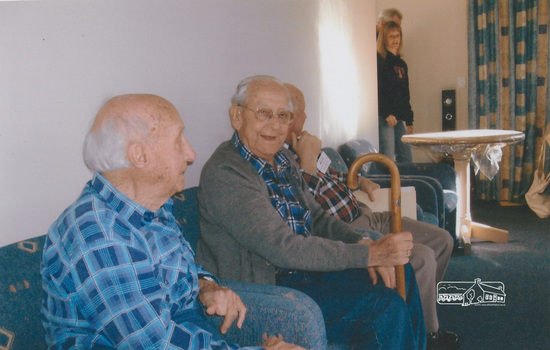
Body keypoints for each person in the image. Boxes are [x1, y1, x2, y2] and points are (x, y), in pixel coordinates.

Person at [40, 94, 304, 350]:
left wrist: (207, 286)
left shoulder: (153, 204)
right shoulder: (99, 236)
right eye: (179, 141)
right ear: (140, 156)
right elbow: (157, 345)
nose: (191, 154)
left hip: (186, 328)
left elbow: (180, 269)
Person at [197, 75, 427, 349]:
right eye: (263, 113)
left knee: (402, 269)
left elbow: (316, 219)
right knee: (383, 306)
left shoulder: (282, 160)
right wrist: (369, 254)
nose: (275, 124)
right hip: (271, 289)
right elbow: (282, 248)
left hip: (308, 272)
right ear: (237, 116)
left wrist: (362, 242)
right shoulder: (226, 173)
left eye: (283, 115)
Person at [284, 83, 460, 350]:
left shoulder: (309, 145)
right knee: (420, 258)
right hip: (348, 228)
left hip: (366, 213)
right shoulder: (286, 159)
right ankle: (429, 334)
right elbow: (308, 219)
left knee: (444, 240)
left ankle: (422, 315)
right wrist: (306, 165)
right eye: (299, 113)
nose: (305, 118)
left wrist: (361, 180)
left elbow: (333, 174)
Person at [377, 20, 414, 163]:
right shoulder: (380, 61)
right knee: (387, 158)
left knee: (406, 158)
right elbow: (379, 90)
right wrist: (386, 113)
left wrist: (409, 119)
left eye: (397, 35)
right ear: (384, 38)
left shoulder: (402, 64)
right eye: (391, 36)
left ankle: (404, 185)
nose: (395, 39)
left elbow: (405, 93)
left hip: (398, 118)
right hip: (385, 117)